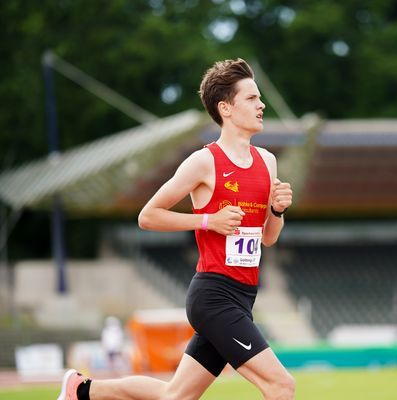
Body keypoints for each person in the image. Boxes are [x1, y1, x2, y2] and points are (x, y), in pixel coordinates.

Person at [57, 58, 295, 400]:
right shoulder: (205, 161)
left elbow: (269, 238)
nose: (262, 105)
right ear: (225, 108)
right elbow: (148, 216)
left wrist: (277, 210)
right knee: (281, 385)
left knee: (175, 396)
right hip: (214, 297)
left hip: (244, 296)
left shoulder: (267, 162)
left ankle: (81, 390)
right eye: (252, 98)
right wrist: (208, 220)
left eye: (260, 98)